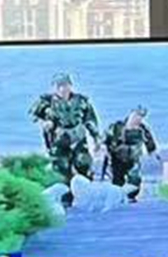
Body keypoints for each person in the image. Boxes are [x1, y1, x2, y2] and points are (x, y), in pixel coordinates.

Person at [33, 71, 99, 207]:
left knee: (84, 166)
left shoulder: (81, 101)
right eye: (59, 86)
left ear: (70, 85)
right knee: (61, 171)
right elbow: (35, 115)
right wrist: (45, 122)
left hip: (78, 138)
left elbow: (90, 120)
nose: (63, 89)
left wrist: (96, 138)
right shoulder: (46, 102)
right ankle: (66, 201)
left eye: (65, 85)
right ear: (54, 87)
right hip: (59, 141)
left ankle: (87, 198)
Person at [102, 103, 156, 201]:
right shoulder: (116, 126)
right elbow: (106, 140)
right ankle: (117, 198)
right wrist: (105, 150)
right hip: (117, 159)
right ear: (131, 114)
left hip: (133, 158)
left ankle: (131, 198)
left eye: (141, 117)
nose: (138, 118)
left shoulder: (143, 130)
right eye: (136, 115)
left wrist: (152, 152)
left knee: (135, 179)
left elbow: (150, 144)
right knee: (117, 180)